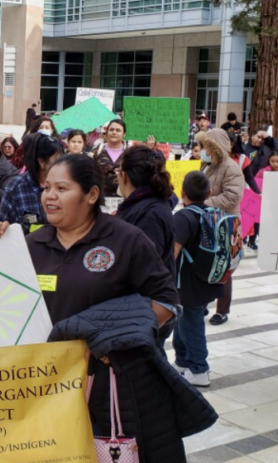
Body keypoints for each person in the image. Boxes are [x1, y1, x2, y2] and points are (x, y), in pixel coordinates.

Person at [0, 156, 213, 463]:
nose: (49, 195)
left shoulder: (125, 240)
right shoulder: (29, 244)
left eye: (62, 188)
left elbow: (167, 302)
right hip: (48, 391)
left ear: (91, 195)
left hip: (110, 388)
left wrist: (113, 338)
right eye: (46, 186)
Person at [172, 171, 225, 388]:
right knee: (183, 321)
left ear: (182, 193)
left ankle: (200, 369)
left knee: (191, 325)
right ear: (209, 193)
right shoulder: (216, 213)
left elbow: (173, 251)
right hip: (209, 279)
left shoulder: (183, 217)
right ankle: (182, 362)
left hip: (186, 282)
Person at [197, 128, 244, 326]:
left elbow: (233, 196)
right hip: (207, 222)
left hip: (226, 224)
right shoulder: (207, 164)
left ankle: (222, 310)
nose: (203, 150)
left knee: (224, 267)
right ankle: (202, 303)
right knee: (205, 264)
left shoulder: (231, 168)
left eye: (207, 146)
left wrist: (203, 202)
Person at [115, 146, 176, 278]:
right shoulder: (147, 204)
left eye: (118, 170)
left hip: (146, 296)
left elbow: (146, 267)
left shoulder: (150, 214)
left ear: (124, 176)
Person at [0, 133, 63, 235]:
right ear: (42, 162)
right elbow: (1, 227)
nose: (63, 163)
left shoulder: (68, 185)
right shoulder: (15, 188)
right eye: (57, 158)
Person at [240, 152, 278, 251]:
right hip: (263, 201)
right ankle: (252, 240)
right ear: (268, 161)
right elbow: (256, 185)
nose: (275, 164)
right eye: (272, 161)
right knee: (258, 222)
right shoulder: (263, 172)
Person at [93, 119, 128, 197]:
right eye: (111, 130)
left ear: (124, 134)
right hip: (101, 197)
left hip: (124, 197)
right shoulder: (97, 151)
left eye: (118, 130)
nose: (114, 132)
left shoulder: (130, 152)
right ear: (107, 132)